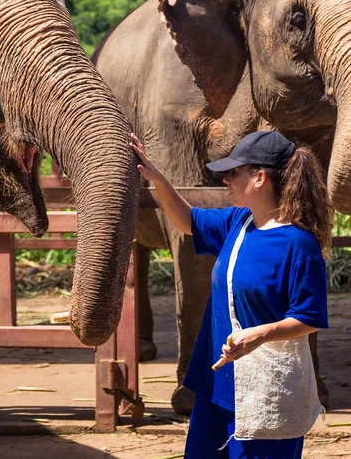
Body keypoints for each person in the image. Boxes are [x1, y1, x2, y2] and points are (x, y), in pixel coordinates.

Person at [130, 130, 331, 458]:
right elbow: (187, 221)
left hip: (267, 390)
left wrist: (261, 334)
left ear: (259, 178)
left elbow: (308, 318)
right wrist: (157, 178)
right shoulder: (240, 223)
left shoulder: (299, 246)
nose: (225, 179)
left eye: (233, 172)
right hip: (217, 384)